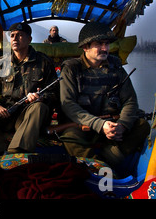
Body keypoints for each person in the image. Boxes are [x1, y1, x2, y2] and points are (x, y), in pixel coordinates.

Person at [59, 22, 150, 173]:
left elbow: (130, 100)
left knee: (142, 126)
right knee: (69, 137)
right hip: (83, 125)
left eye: (106, 44)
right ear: (85, 47)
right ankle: (96, 168)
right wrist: (99, 125)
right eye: (99, 44)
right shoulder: (71, 69)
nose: (104, 48)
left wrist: (122, 125)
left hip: (112, 125)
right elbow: (68, 104)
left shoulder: (116, 68)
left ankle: (107, 161)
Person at [0, 22, 59, 155]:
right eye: (13, 35)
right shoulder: (2, 62)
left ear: (29, 39)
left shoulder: (43, 62)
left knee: (39, 107)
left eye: (20, 35)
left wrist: (40, 97)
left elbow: (55, 92)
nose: (15, 39)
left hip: (28, 117)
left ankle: (16, 153)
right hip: (6, 114)